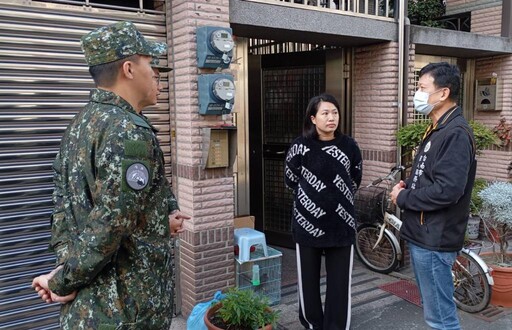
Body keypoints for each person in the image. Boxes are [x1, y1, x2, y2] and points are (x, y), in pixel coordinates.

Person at [31, 21, 190, 329]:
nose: (155, 73)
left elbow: (64, 208)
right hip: (126, 310)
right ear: (128, 69)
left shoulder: (80, 125)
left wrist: (65, 271)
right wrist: (62, 281)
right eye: (149, 63)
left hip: (90, 308)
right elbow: (112, 222)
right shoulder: (128, 129)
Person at [390, 62, 476, 330]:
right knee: (436, 312)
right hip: (425, 234)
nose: (417, 93)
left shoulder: (455, 133)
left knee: (440, 317)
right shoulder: (439, 128)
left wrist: (403, 199)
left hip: (435, 238)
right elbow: (433, 177)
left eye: (422, 88)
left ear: (443, 93)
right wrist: (409, 186)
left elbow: (447, 190)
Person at [284, 93, 362, 330]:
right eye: (325, 113)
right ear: (313, 118)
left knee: (340, 284)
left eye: (335, 113)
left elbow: (355, 179)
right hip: (307, 225)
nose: (331, 118)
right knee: (308, 281)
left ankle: (336, 326)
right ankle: (312, 324)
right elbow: (291, 179)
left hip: (341, 226)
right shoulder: (300, 146)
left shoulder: (349, 145)